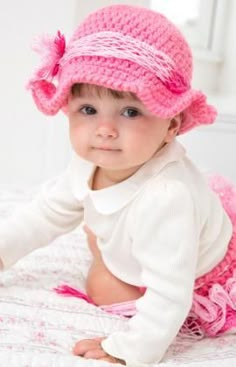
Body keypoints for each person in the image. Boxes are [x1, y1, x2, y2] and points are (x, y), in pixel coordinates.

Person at [0, 3, 236, 366]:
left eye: (130, 112)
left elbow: (170, 296)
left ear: (171, 124)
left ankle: (104, 253)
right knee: (84, 232)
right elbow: (45, 214)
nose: (105, 130)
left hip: (195, 271)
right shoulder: (87, 162)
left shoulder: (167, 196)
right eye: (88, 110)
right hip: (153, 242)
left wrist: (129, 349)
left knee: (103, 288)